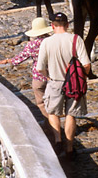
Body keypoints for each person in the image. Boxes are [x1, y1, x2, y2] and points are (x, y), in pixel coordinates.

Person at [35, 12, 91, 160]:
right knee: (71, 114)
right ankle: (70, 148)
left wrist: (48, 76)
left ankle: (58, 140)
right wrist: (82, 78)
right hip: (74, 83)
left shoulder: (46, 43)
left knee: (53, 112)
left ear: (52, 26)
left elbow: (39, 68)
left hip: (55, 81)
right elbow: (86, 64)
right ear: (67, 25)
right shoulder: (75, 39)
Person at [1, 17, 55, 142]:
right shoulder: (52, 41)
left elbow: (21, 57)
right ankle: (52, 124)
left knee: (41, 103)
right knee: (53, 103)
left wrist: (9, 61)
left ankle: (50, 125)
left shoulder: (33, 44)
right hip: (54, 76)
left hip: (39, 77)